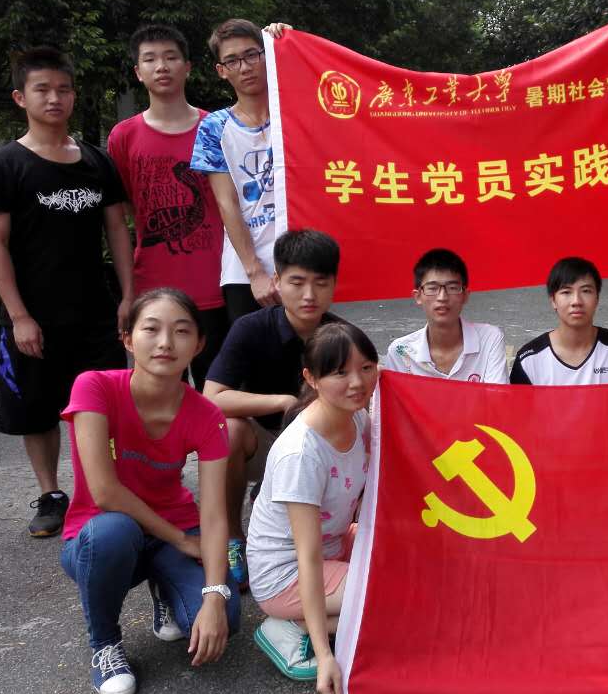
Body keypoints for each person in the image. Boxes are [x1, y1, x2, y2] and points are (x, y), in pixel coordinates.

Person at [0, 46, 133, 538]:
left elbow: (117, 231)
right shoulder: (4, 166)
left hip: (95, 311)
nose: (54, 98)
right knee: (36, 409)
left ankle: (103, 490)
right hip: (35, 314)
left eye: (63, 89)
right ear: (20, 97)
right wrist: (19, 315)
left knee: (104, 406)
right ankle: (51, 495)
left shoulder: (96, 161)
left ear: (73, 95)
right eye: (42, 89)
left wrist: (129, 296)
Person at [59, 289, 237, 694]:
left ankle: (165, 589)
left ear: (199, 344)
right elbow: (105, 492)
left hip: (172, 530)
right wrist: (179, 539)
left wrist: (214, 596)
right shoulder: (94, 387)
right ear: (127, 339)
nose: (165, 343)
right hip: (100, 535)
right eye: (151, 329)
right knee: (113, 531)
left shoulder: (208, 415)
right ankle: (105, 644)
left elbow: (213, 514)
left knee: (225, 619)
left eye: (181, 331)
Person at [203, 229, 344, 589]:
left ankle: (330, 535)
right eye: (297, 282)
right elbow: (212, 397)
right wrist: (283, 402)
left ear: (334, 285)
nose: (309, 295)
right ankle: (234, 537)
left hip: (319, 448)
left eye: (321, 283)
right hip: (264, 441)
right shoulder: (250, 328)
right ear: (278, 281)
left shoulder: (341, 335)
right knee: (230, 430)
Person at [248, 322, 377, 691]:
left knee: (408, 567)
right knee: (389, 599)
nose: (357, 382)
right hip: (286, 572)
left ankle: (323, 615)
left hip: (333, 543)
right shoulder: (301, 454)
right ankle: (294, 626)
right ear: (311, 378)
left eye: (366, 367)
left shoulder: (356, 414)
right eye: (340, 373)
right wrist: (325, 657)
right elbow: (307, 557)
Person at [108, 24, 227, 389]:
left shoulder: (216, 128)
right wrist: (128, 293)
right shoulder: (124, 137)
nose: (161, 66)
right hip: (152, 290)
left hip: (215, 287)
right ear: (138, 72)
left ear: (187, 67)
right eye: (150, 59)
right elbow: (126, 210)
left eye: (171, 57)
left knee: (216, 394)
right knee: (159, 397)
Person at [191, 19, 291, 323]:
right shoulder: (214, 127)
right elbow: (227, 203)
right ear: (221, 70)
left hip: (300, 262)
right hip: (244, 272)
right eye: (232, 60)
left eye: (252, 55)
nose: (245, 67)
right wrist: (255, 271)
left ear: (266, 55)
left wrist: (287, 42)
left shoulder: (295, 114)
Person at [510, 257, 608, 385]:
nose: (576, 301)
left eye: (586, 291)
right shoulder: (529, 360)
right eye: (566, 292)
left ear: (597, 299)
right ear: (553, 301)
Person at [385, 248, 506, 383]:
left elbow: (498, 395)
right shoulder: (401, 352)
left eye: (452, 288)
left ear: (465, 295)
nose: (442, 297)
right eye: (432, 288)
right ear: (418, 296)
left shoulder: (489, 339)